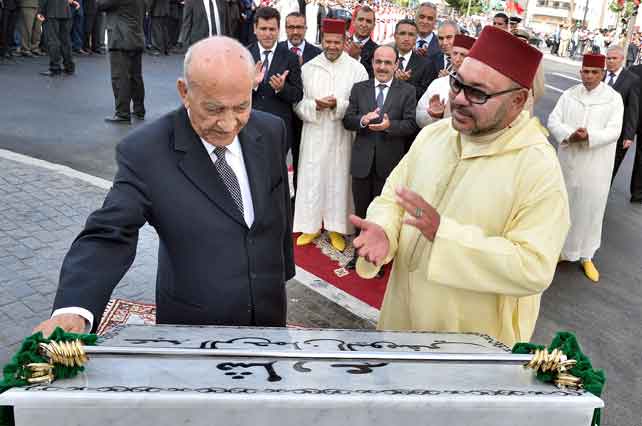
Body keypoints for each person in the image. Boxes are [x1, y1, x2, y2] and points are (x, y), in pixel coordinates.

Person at [33, 36, 295, 336]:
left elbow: (278, 210)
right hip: (193, 329)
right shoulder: (146, 151)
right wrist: (74, 309)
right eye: (213, 109)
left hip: (270, 317)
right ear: (185, 92)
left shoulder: (271, 130)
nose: (228, 124)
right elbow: (109, 234)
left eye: (241, 107)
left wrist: (282, 273)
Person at [351, 26, 570, 347]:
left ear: (518, 100)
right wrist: (385, 229)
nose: (459, 100)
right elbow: (394, 198)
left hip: (468, 344)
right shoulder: (435, 136)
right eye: (457, 83)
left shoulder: (538, 168)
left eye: (478, 93)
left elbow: (533, 267)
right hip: (401, 319)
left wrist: (444, 236)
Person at [293, 18, 368, 252]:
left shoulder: (357, 69)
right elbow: (297, 104)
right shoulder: (308, 68)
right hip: (314, 133)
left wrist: (338, 105)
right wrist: (315, 105)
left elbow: (362, 104)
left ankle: (336, 227)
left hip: (341, 135)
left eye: (337, 42)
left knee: (338, 180)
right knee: (312, 178)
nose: (332, 46)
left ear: (345, 41)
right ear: (322, 40)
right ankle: (311, 225)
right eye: (328, 41)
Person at [548, 53, 623, 283]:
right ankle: (559, 250)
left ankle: (586, 255)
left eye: (594, 72)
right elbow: (553, 120)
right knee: (564, 207)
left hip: (596, 167)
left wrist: (589, 136)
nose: (589, 76)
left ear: (602, 74)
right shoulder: (569, 94)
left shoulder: (613, 99)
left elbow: (614, 130)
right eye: (585, 71)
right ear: (580, 72)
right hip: (569, 163)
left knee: (591, 210)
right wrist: (569, 135)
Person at [342, 45, 418, 270]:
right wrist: (363, 120)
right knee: (362, 210)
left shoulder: (407, 91)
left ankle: (380, 258)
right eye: (378, 62)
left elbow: (411, 124)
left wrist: (389, 126)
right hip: (362, 163)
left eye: (387, 63)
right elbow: (347, 120)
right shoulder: (359, 89)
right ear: (372, 63)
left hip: (389, 164)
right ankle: (359, 254)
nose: (382, 67)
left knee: (384, 213)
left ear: (396, 65)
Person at [278, 10, 321, 200]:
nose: (295, 31)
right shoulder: (277, 50)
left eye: (299, 27)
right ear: (285, 28)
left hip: (306, 119)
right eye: (291, 27)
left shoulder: (317, 53)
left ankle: (299, 204)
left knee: (303, 164)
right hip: (281, 116)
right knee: (277, 163)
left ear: (306, 28)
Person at [248, 7, 303, 154]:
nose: (268, 34)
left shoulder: (291, 58)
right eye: (263, 29)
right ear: (255, 29)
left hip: (278, 129)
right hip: (249, 127)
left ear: (279, 30)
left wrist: (282, 88)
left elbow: (298, 94)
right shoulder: (244, 55)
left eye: (272, 29)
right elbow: (232, 93)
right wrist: (251, 85)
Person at [99, 0, 146, 124]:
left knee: (120, 78)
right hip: (136, 36)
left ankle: (122, 113)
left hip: (120, 38)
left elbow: (100, 5)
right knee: (136, 77)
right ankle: (139, 110)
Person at [416, 33, 474, 128]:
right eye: (455, 54)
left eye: (463, 55)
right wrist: (433, 114)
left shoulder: (479, 87)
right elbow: (418, 117)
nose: (457, 59)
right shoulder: (438, 83)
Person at [606, 46, 640, 193]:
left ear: (622, 59)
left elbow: (633, 108)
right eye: (608, 58)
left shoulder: (632, 79)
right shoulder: (600, 74)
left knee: (611, 167)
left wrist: (629, 135)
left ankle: (602, 195)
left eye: (614, 58)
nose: (610, 61)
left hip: (619, 132)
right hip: (598, 130)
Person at [394, 18, 436, 103]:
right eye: (402, 33)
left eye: (411, 34)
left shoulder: (426, 65)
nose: (406, 38)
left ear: (416, 38)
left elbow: (425, 96)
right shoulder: (384, 58)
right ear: (395, 36)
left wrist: (405, 84)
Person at [37, 0, 79, 76]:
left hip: (51, 10)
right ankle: (69, 67)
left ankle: (55, 67)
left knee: (53, 40)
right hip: (65, 10)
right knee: (65, 41)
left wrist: (40, 11)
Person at [513, 27, 545, 116]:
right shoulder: (506, 54)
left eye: (522, 42)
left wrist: (529, 99)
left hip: (524, 103)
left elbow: (539, 88)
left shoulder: (533, 57)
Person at [344, 5, 377, 79]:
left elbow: (372, 79)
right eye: (361, 19)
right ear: (353, 22)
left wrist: (356, 58)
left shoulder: (378, 51)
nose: (364, 24)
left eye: (368, 21)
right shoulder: (341, 45)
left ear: (374, 25)